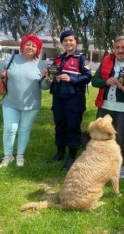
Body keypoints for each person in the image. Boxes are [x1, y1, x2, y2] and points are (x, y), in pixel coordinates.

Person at [0, 35, 50, 168]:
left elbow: (44, 87)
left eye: (34, 46)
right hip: (10, 101)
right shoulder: (10, 59)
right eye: (28, 44)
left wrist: (46, 80)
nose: (30, 47)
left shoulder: (41, 64)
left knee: (24, 130)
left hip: (31, 104)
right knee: (9, 128)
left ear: (37, 49)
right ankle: (8, 156)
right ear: (22, 46)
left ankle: (20, 155)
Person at [91, 36, 124, 179]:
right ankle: (100, 164)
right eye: (117, 47)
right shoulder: (107, 60)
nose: (120, 50)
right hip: (105, 106)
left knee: (121, 138)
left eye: (123, 47)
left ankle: (121, 166)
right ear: (114, 48)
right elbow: (94, 81)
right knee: (100, 135)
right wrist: (105, 81)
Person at [48, 30, 92, 170]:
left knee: (73, 127)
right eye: (65, 40)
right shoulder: (59, 58)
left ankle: (72, 156)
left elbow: (87, 77)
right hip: (58, 97)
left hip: (74, 99)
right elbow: (54, 75)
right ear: (62, 43)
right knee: (59, 125)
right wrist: (50, 78)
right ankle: (60, 152)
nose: (68, 43)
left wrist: (71, 78)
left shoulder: (82, 58)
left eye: (71, 40)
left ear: (76, 42)